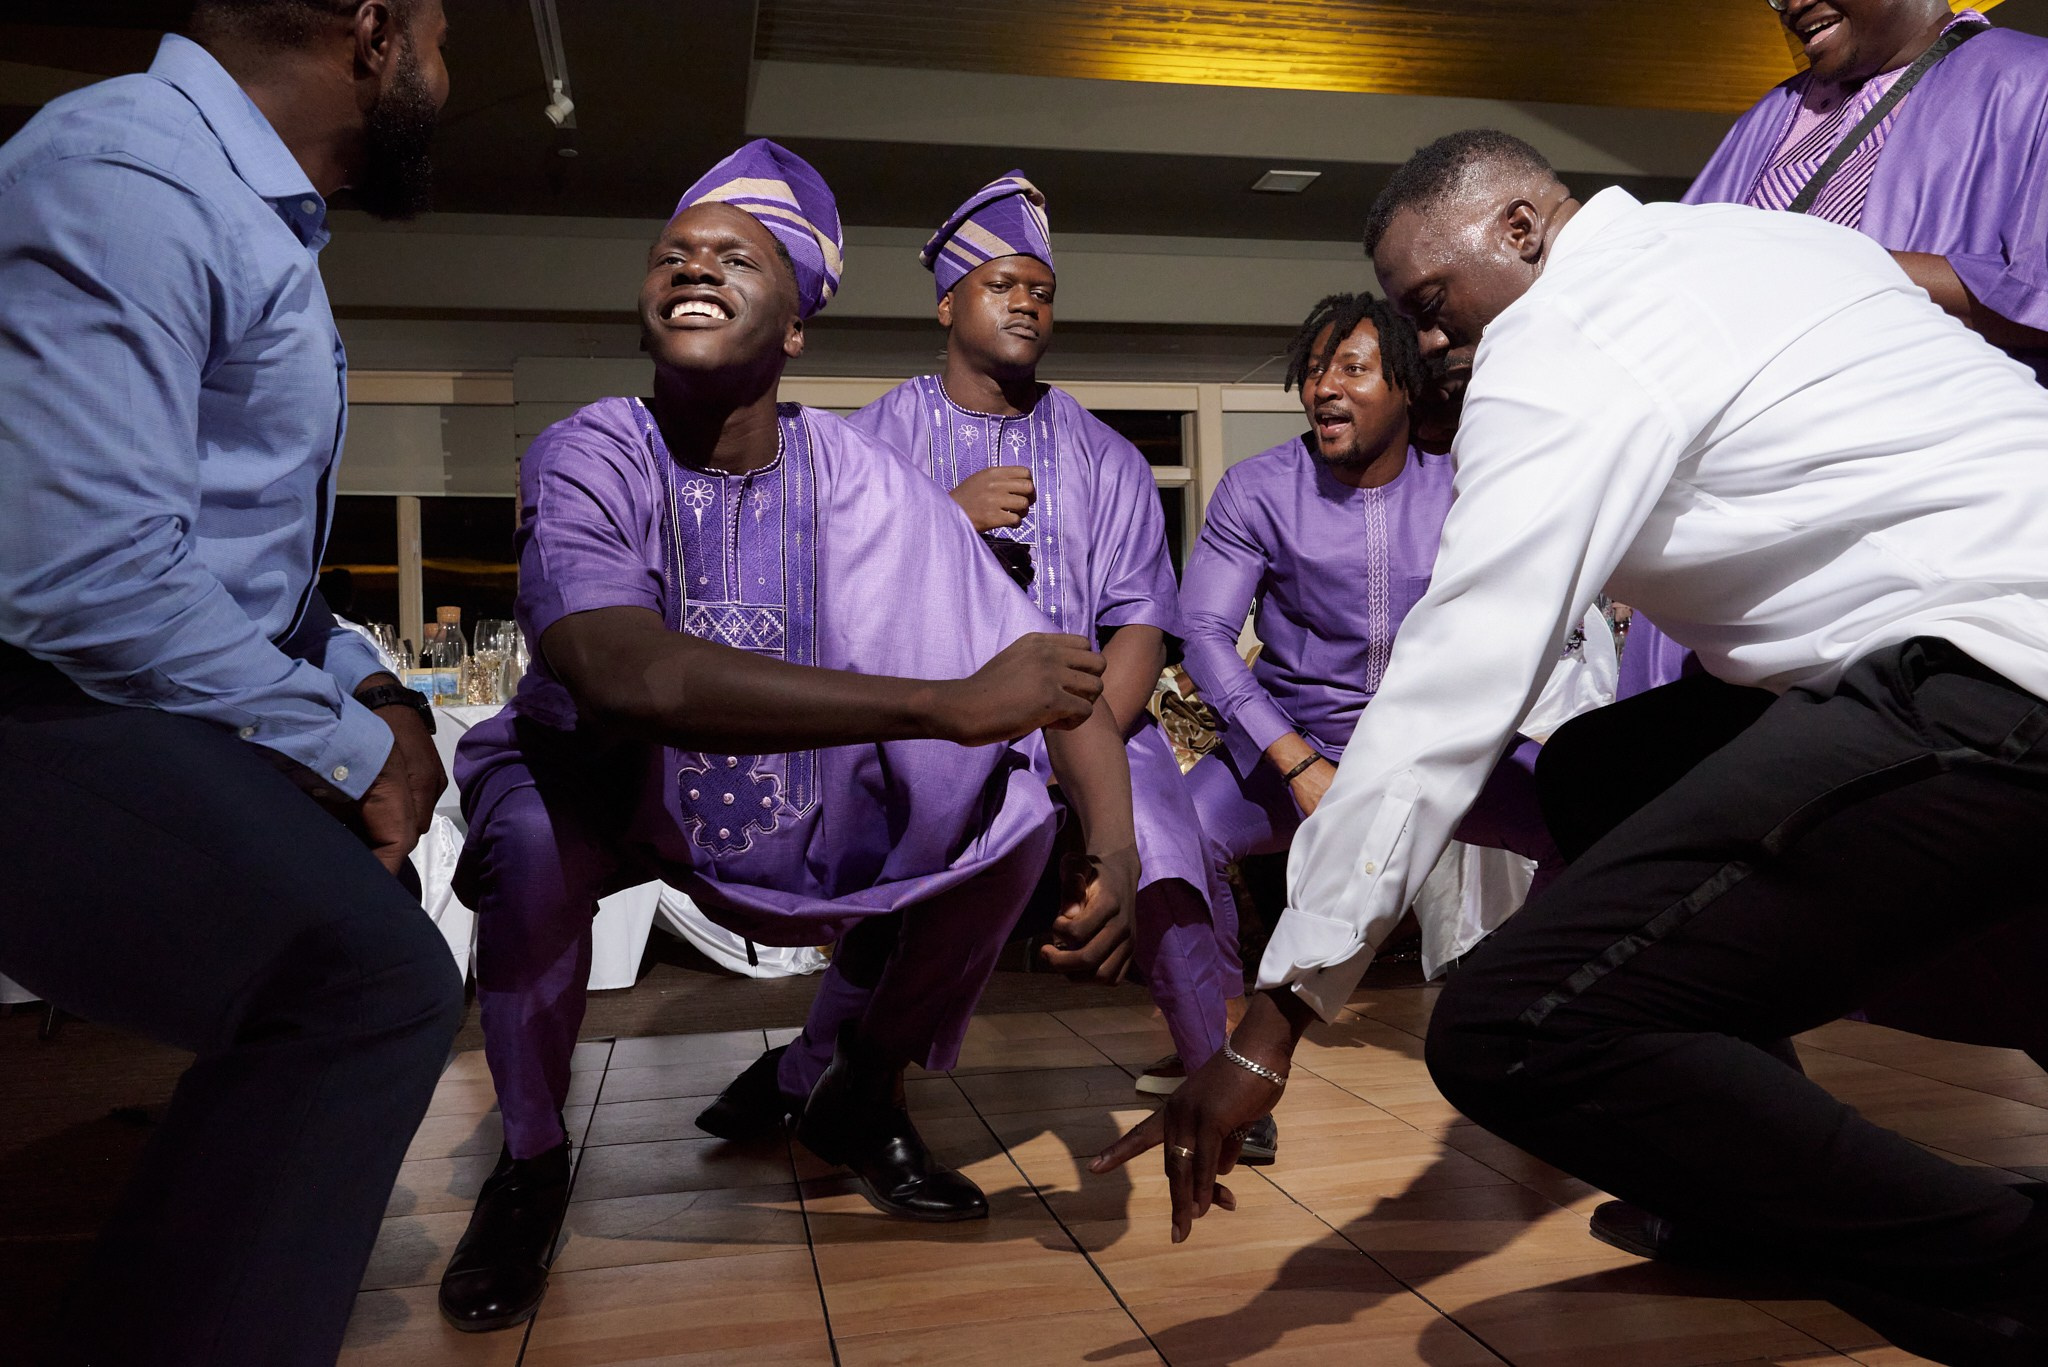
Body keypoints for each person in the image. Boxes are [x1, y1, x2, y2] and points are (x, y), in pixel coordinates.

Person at [1100, 128, 2048, 1365]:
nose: (1423, 342)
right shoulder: (1765, 238)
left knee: (1513, 1027)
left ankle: (2005, 1266)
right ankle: (1736, 1188)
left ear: (1520, 231)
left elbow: (1455, 676)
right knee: (1606, 769)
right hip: (1955, 632)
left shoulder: (1557, 339)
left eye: (1428, 306)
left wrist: (1274, 1011)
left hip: (1992, 667)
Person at [440, 140, 1139, 1332]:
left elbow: (1032, 667)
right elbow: (615, 672)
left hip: (794, 797)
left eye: (733, 254)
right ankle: (530, 1160)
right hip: (597, 786)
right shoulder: (591, 448)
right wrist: (930, 703)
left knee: (1012, 812)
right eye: (672, 252)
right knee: (533, 855)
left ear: (798, 324)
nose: (692, 266)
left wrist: (1113, 841)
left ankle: (859, 1092)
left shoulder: (860, 477)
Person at [0, 2, 461, 1364]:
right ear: (375, 33)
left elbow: (245, 566)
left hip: (100, 688)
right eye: (444, 36)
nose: (450, 77)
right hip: (32, 695)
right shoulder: (125, 174)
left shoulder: (246, 211)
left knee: (350, 948)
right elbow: (78, 570)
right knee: (364, 979)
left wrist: (373, 695)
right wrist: (349, 749)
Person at [704, 171, 1249, 1147]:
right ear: (948, 300)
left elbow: (1135, 624)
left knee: (1162, 838)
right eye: (1003, 282)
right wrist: (942, 520)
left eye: (1041, 288)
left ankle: (1214, 1071)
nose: (1027, 301)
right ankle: (833, 1080)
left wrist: (1087, 745)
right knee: (916, 846)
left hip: (1090, 721)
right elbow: (823, 599)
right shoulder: (872, 440)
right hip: (925, 724)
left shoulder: (1105, 457)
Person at [1176, 291, 1577, 1004]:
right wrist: (1295, 760)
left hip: (1433, 748)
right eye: (1315, 371)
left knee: (1581, 824)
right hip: (1293, 748)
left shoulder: (1461, 484)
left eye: (1353, 369)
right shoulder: (1258, 490)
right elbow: (1204, 636)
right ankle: (1208, 1051)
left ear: (1404, 388)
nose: (1324, 387)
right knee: (1176, 840)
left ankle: (1526, 1008)